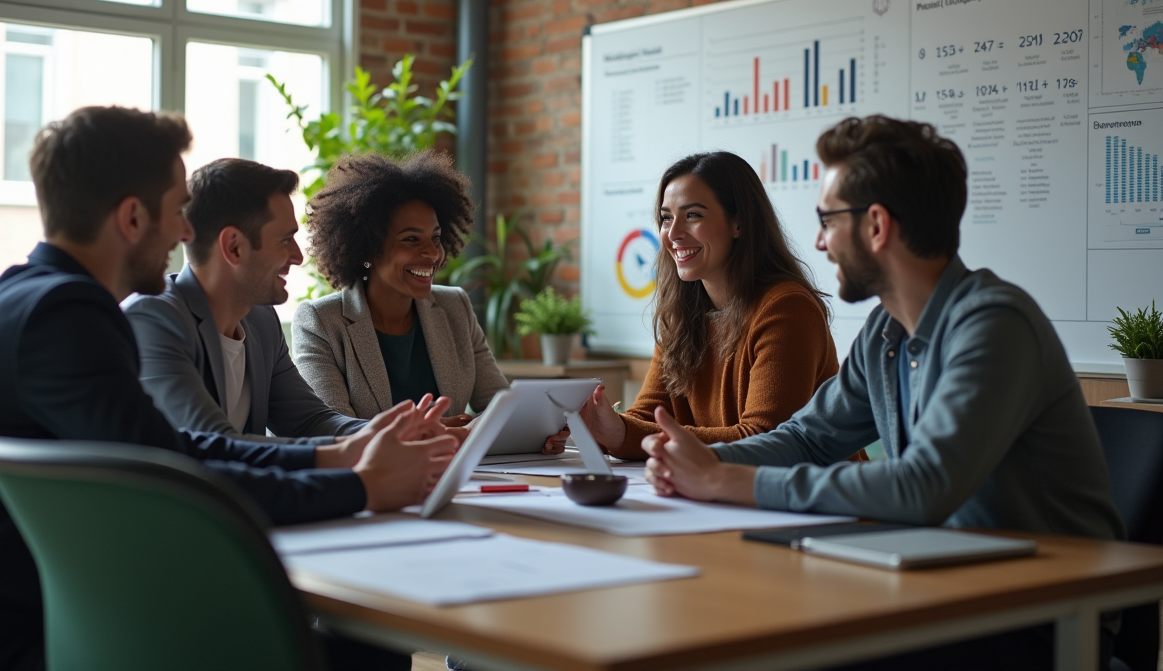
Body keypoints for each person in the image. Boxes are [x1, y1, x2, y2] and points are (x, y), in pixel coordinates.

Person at [0, 107, 456, 671]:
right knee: (368, 650)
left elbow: (171, 449)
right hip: (44, 635)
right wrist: (360, 488)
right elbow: (177, 476)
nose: (182, 232)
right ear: (130, 218)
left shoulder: (27, 297)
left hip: (59, 612)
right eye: (176, 212)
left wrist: (337, 457)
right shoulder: (66, 315)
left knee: (367, 645)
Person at [640, 116, 1123, 670]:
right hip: (945, 581)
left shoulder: (993, 324)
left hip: (1041, 613)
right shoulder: (887, 333)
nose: (819, 241)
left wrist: (727, 478)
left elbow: (924, 486)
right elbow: (806, 436)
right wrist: (699, 462)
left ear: (876, 226)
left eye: (827, 220)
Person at [549, 151, 860, 462]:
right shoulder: (682, 314)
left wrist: (623, 433)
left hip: (820, 503)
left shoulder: (787, 308)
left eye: (693, 215)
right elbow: (647, 416)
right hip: (731, 496)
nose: (673, 234)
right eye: (666, 218)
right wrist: (600, 428)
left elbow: (765, 441)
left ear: (738, 223)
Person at [124, 158, 365, 442]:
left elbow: (310, 421)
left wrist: (393, 432)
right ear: (234, 247)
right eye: (285, 240)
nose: (299, 257)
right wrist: (345, 455)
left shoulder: (260, 319)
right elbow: (215, 444)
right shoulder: (152, 318)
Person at [292, 150, 507, 423]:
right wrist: (442, 432)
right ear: (368, 249)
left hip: (457, 467)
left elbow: (500, 407)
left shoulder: (455, 306)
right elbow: (332, 428)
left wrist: (539, 429)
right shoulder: (321, 322)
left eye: (436, 238)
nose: (432, 253)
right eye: (411, 240)